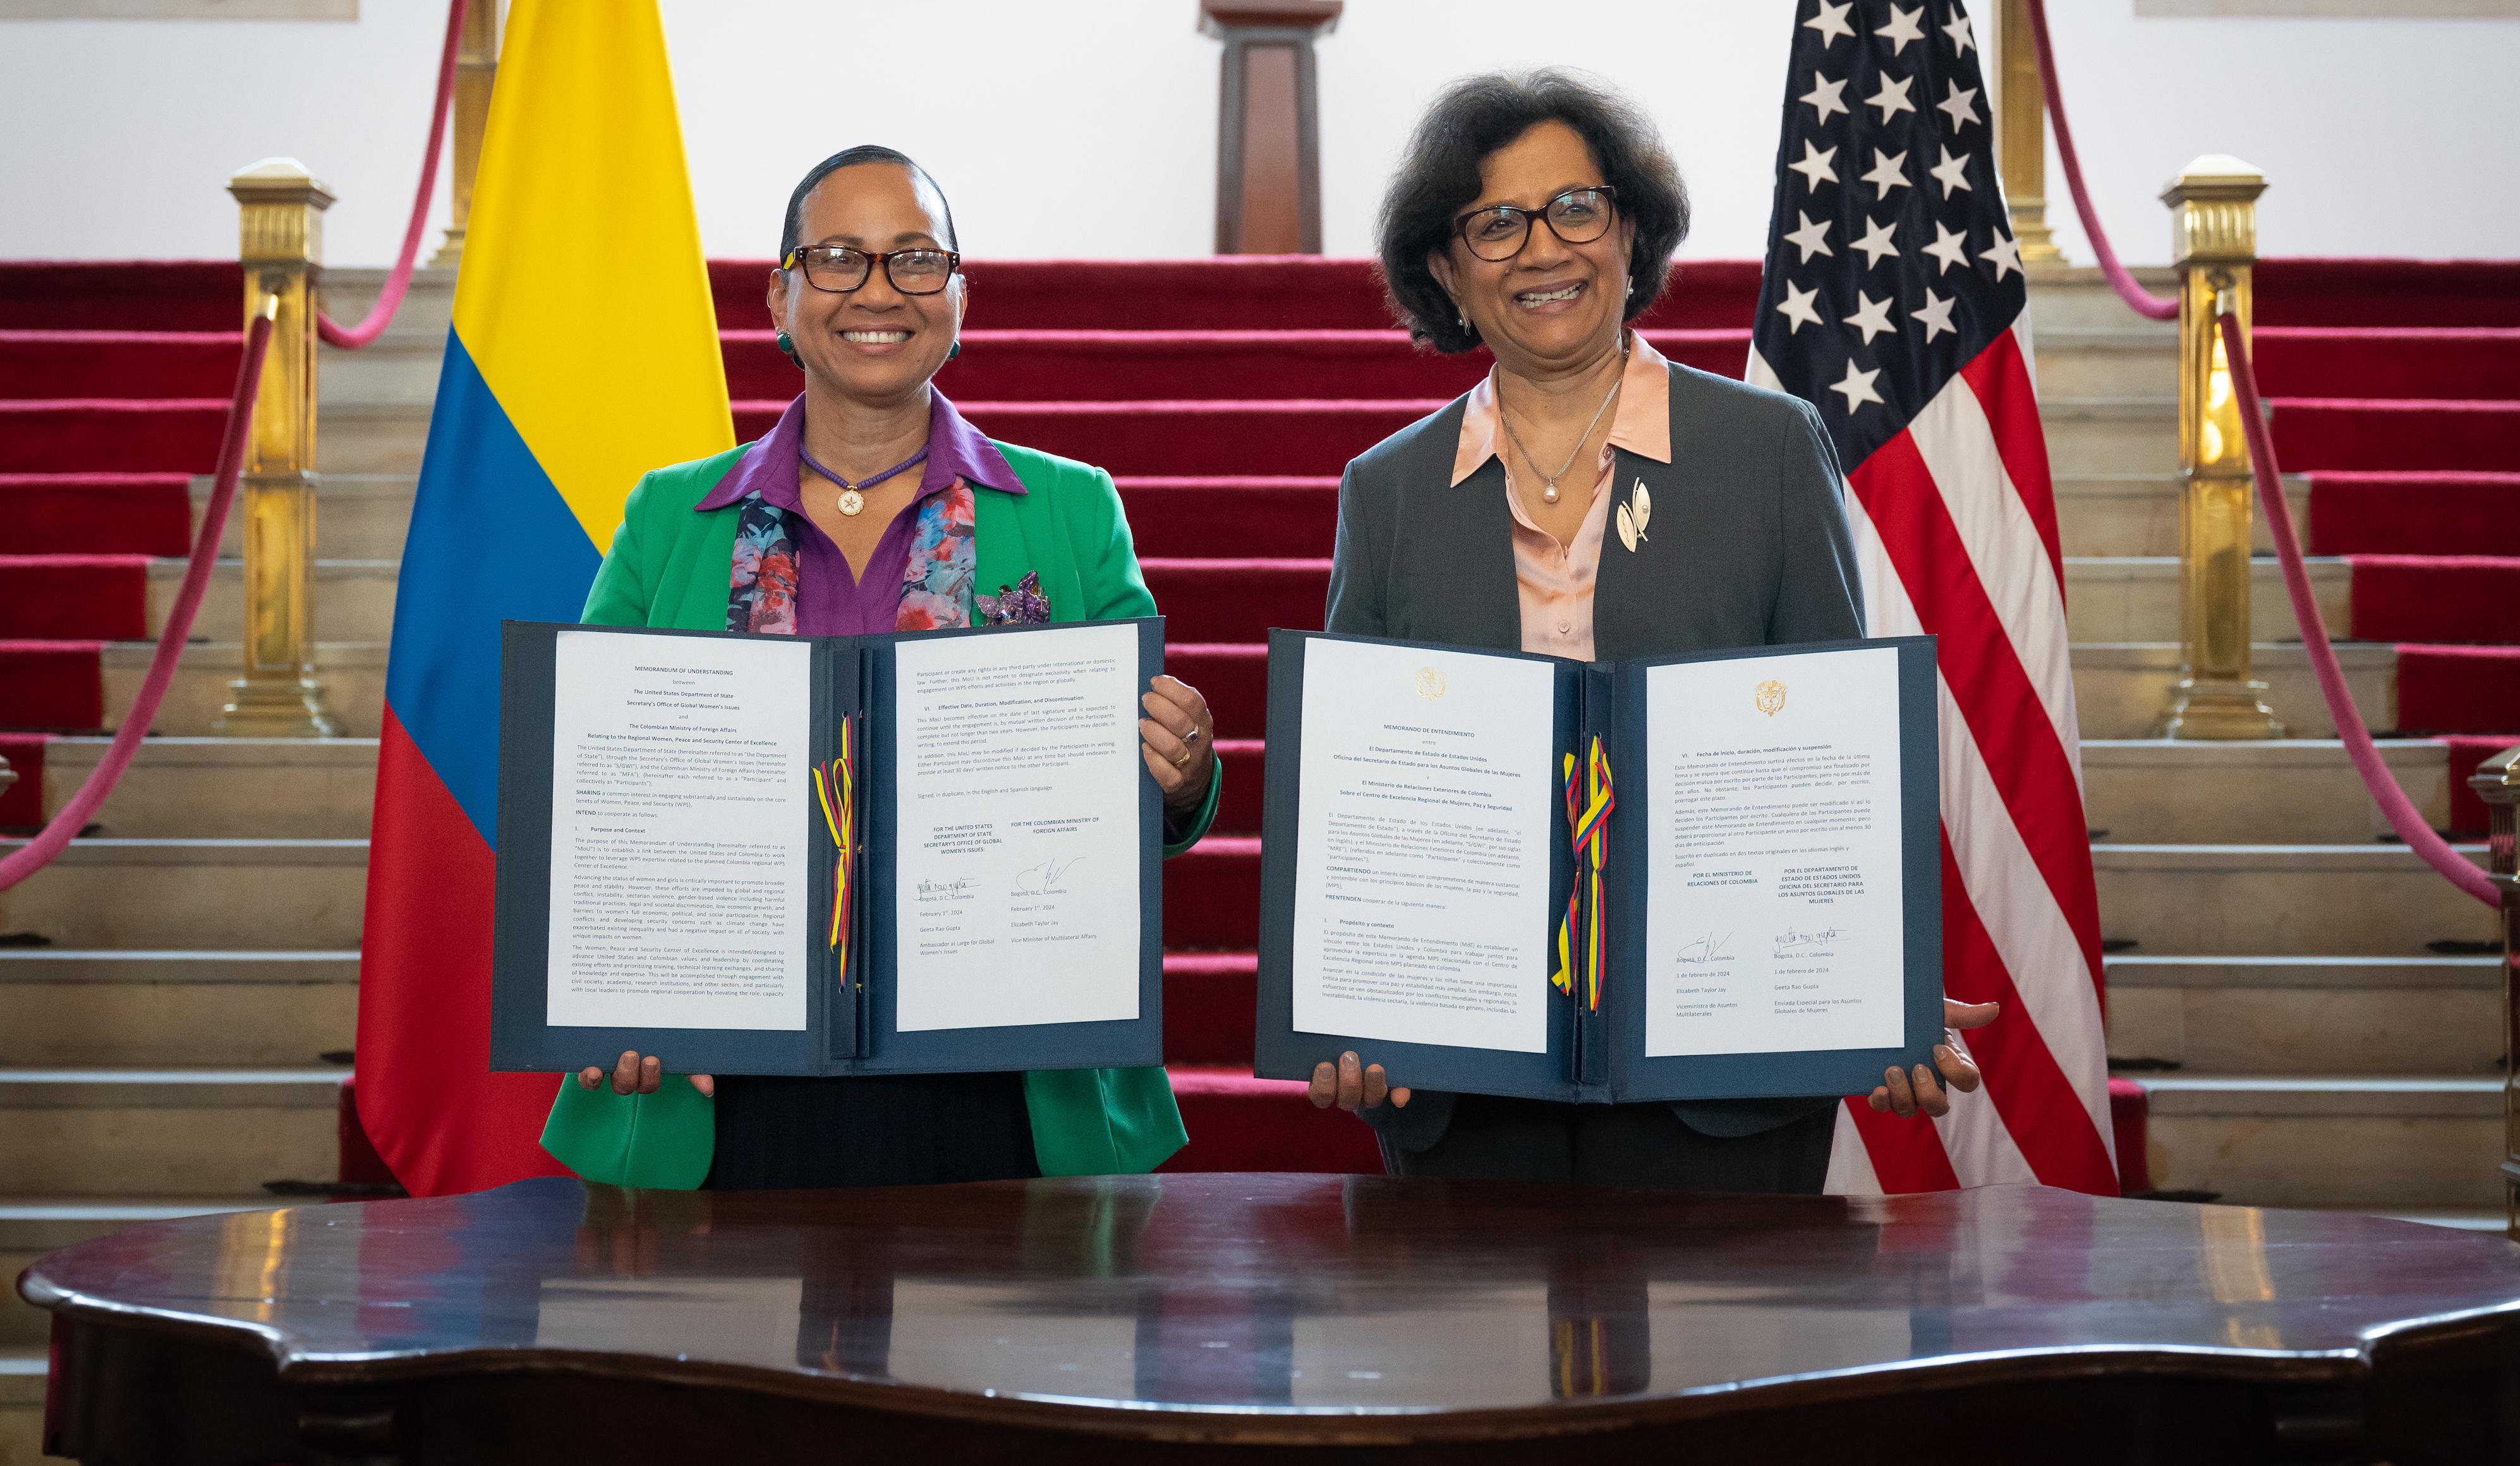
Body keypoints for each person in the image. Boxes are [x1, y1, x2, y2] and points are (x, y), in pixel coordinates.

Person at [1306, 71, 1995, 1190]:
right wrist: (1342, 1003)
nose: (1543, 250)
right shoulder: (1385, 490)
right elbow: (1362, 802)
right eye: (1495, 223)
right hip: (1463, 1072)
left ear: (1630, 230)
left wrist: (1874, 984)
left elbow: (1831, 753)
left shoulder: (1769, 451)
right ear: (1447, 269)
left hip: (1726, 1074)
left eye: (1576, 208)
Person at [539, 145, 1221, 1190]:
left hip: (1000, 1069)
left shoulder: (1073, 508)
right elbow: (595, 795)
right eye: (840, 257)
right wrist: (617, 984)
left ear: (957, 294)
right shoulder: (669, 517)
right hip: (724, 1076)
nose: (877, 291)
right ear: (779, 294)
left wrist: (1180, 773)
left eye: (914, 259)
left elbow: (1132, 796)